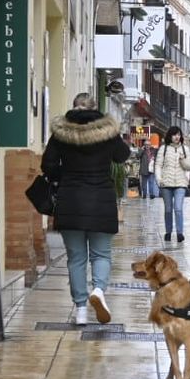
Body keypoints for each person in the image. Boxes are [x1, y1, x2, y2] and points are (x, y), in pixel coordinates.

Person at [42, 93, 132, 325]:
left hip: (70, 200)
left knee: (76, 258)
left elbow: (48, 165)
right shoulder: (106, 131)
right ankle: (99, 290)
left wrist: (66, 175)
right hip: (101, 199)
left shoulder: (61, 133)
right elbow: (122, 156)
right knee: (101, 254)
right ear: (95, 108)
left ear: (74, 107)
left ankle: (81, 309)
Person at [154, 126, 190, 243]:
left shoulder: (185, 149)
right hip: (166, 183)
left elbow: (189, 166)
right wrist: (159, 179)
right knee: (168, 209)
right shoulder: (163, 149)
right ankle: (168, 232)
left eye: (179, 134)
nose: (177, 137)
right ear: (170, 136)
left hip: (180, 183)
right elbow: (158, 165)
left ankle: (180, 233)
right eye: (175, 134)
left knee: (178, 208)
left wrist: (183, 160)